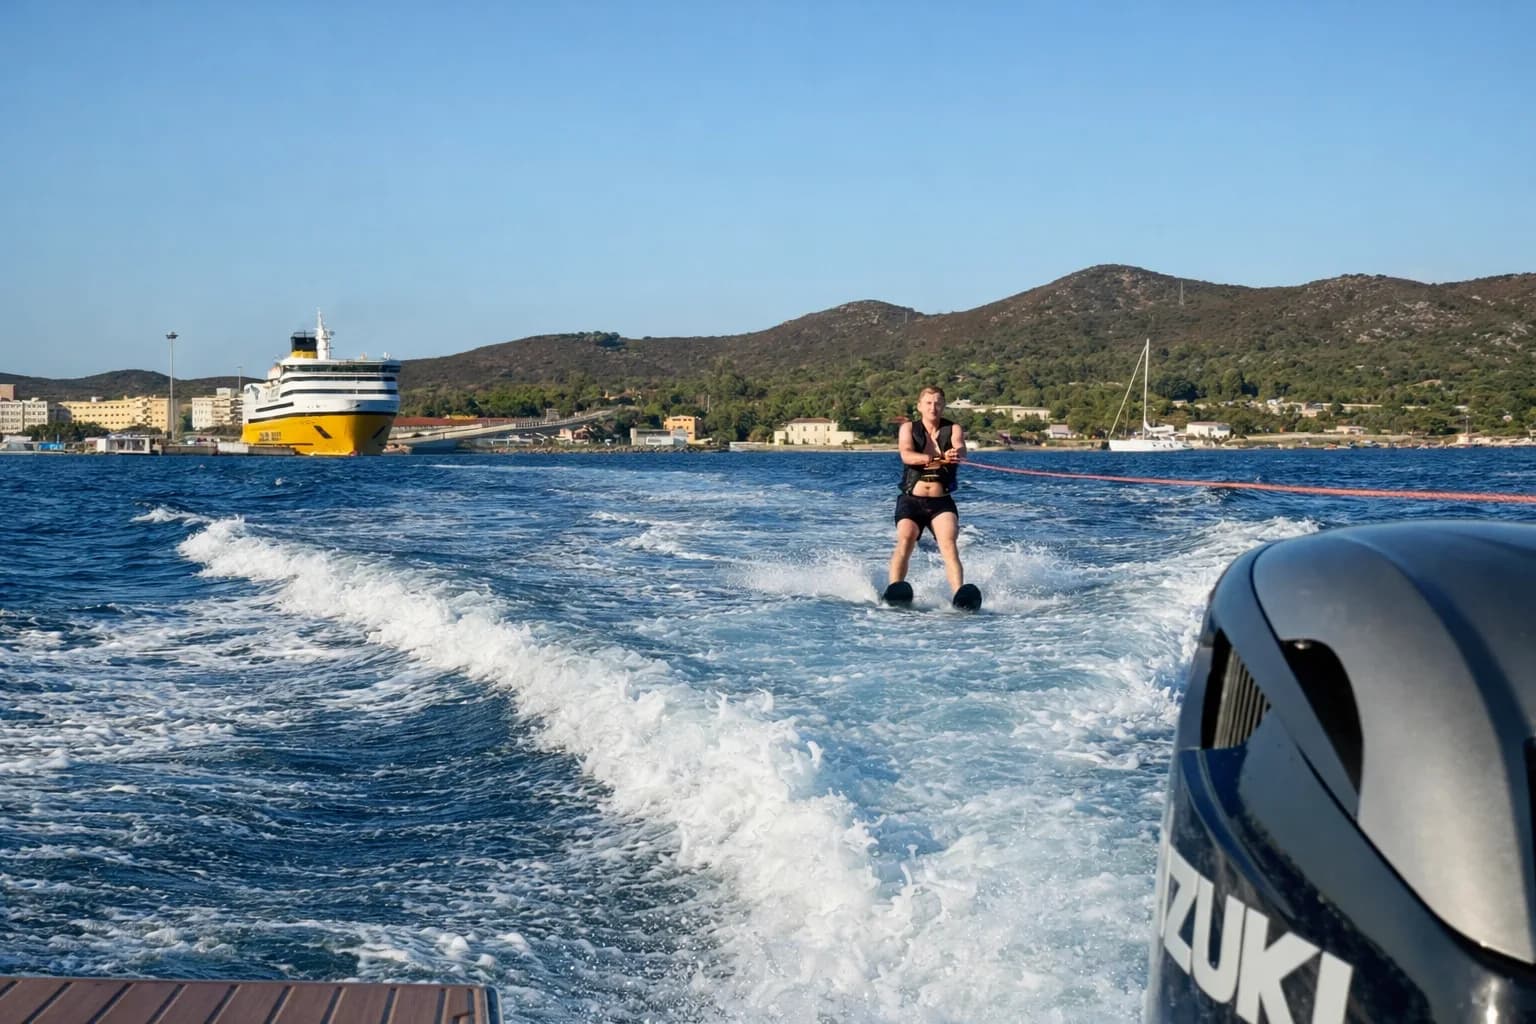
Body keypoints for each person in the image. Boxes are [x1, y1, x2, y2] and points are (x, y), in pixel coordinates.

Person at [888, 385, 966, 598]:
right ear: (920, 406)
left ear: (943, 406)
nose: (934, 407)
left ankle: (959, 594)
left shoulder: (953, 429)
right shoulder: (908, 429)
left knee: (948, 543)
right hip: (911, 500)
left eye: (938, 403)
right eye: (929, 403)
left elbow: (960, 448)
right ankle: (895, 588)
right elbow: (907, 455)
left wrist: (954, 453)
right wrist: (937, 459)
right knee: (906, 537)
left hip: (941, 502)